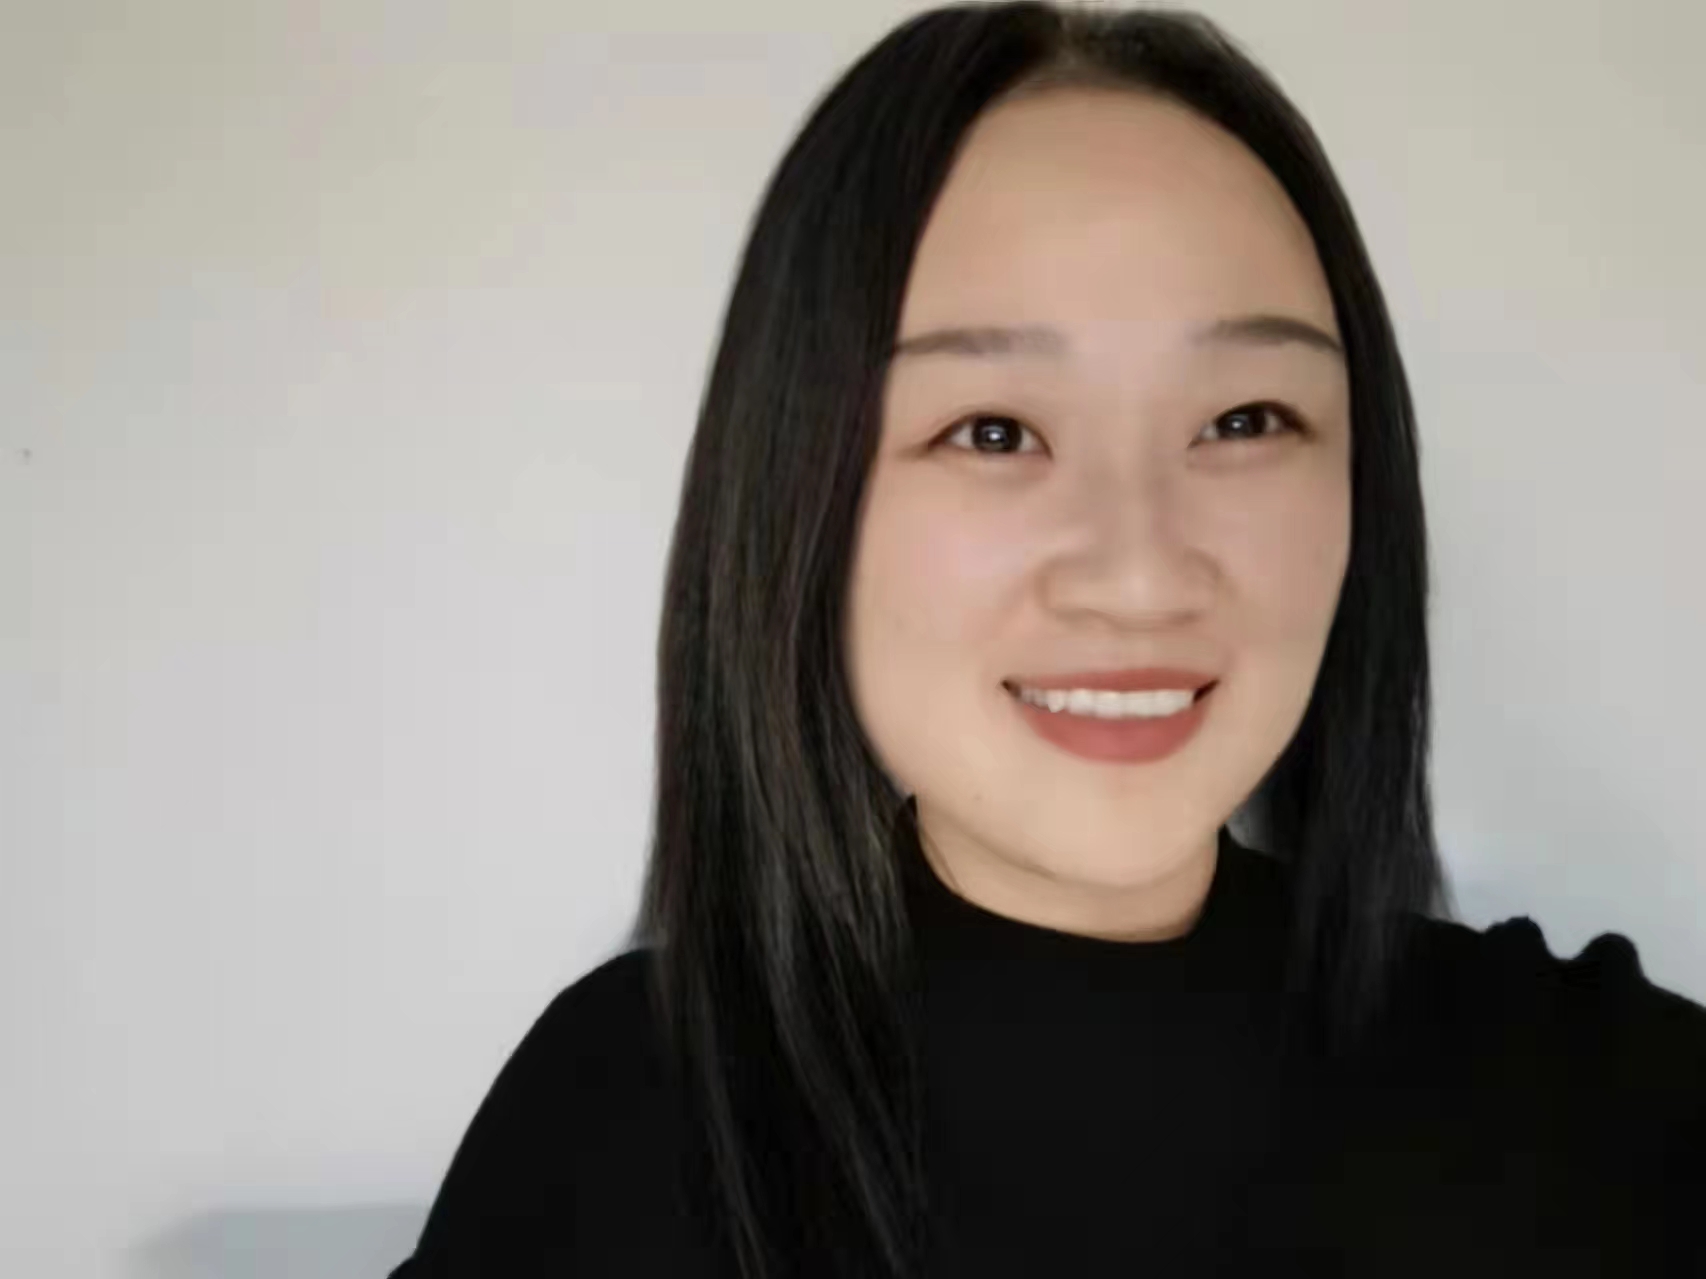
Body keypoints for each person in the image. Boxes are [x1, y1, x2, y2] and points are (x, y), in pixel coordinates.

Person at [389, 4, 1706, 1276]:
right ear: (795, 501)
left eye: (1244, 420)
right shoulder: (620, 1126)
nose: (1138, 575)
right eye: (993, 432)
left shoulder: (1599, 1104)